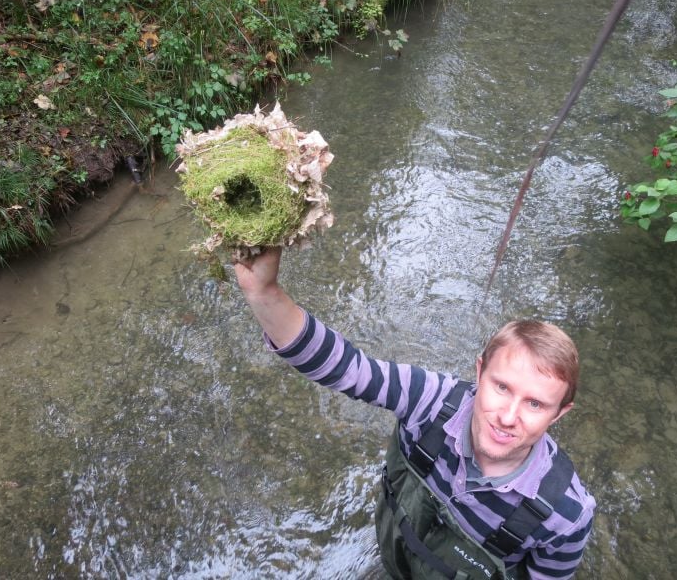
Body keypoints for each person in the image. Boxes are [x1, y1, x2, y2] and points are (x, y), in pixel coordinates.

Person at [234, 248, 595, 580]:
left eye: (535, 404)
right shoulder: (431, 401)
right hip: (396, 550)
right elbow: (348, 369)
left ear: (560, 414)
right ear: (480, 373)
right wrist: (263, 292)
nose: (508, 416)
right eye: (501, 387)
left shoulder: (565, 515)